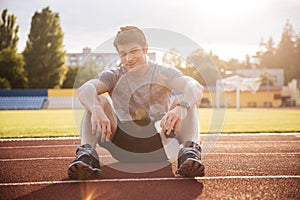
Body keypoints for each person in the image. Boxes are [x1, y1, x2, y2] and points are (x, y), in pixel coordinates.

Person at [68, 25, 205, 179]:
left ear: (145, 49)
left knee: (185, 99)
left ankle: (190, 152)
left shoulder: (162, 72)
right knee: (97, 99)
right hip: (121, 144)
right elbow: (85, 89)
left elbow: (195, 86)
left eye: (133, 51)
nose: (129, 58)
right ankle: (86, 155)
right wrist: (96, 110)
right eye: (123, 53)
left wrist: (182, 107)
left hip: (160, 143)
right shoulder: (113, 75)